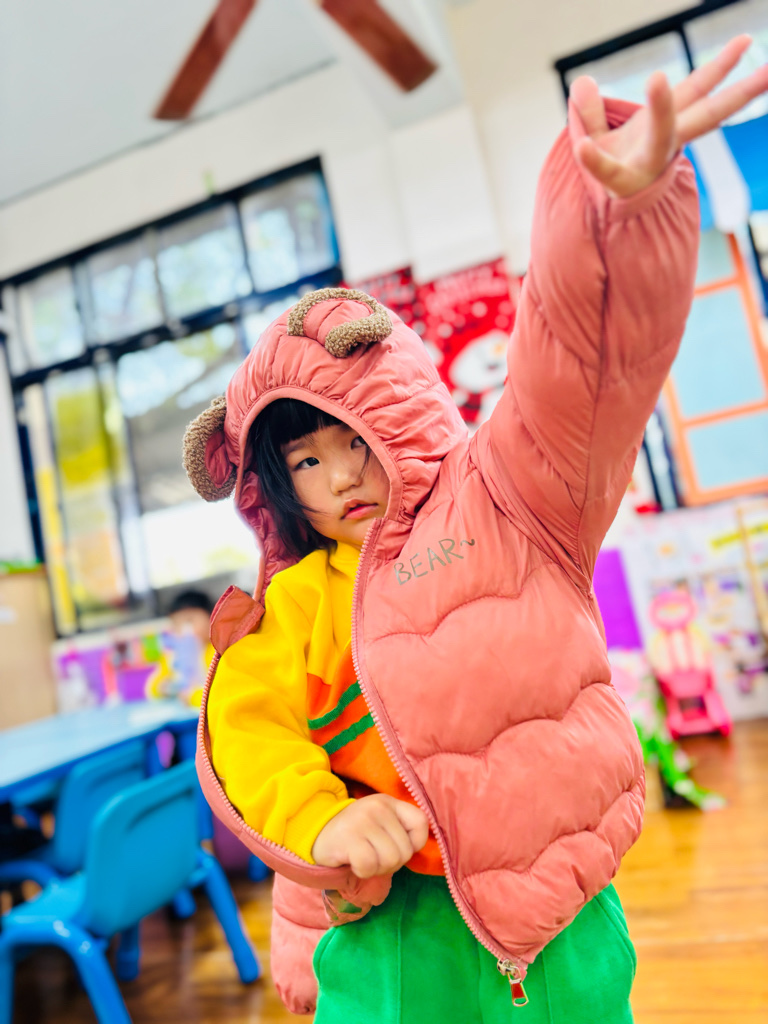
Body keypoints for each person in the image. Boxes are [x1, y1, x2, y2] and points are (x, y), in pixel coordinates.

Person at [183, 38, 767, 1022]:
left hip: (556, 916)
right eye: (306, 463)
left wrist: (609, 217)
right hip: (393, 925)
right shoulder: (294, 603)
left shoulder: (509, 502)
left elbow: (579, 367)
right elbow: (249, 724)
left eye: (354, 440)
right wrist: (321, 819)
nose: (342, 476)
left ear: (400, 415)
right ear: (274, 488)